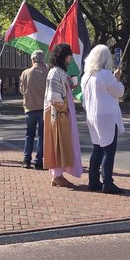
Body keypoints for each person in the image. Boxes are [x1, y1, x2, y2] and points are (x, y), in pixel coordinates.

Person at [81, 45, 126, 194]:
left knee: (98, 148)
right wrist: (117, 79)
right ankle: (108, 182)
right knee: (108, 150)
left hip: (92, 115)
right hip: (106, 115)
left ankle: (93, 180)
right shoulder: (105, 75)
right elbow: (118, 91)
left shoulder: (86, 76)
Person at [43, 43, 83, 188]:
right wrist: (64, 109)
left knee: (62, 144)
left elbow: (59, 92)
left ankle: (58, 174)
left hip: (60, 113)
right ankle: (58, 175)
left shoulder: (58, 71)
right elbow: (54, 97)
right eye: (69, 55)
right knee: (59, 144)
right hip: (59, 115)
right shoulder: (56, 72)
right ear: (65, 56)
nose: (71, 58)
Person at [18, 49, 48, 170]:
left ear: (32, 59)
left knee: (29, 135)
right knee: (42, 136)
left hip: (30, 108)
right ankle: (38, 161)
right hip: (44, 108)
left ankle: (26, 160)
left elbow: (21, 90)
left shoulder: (25, 73)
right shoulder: (48, 72)